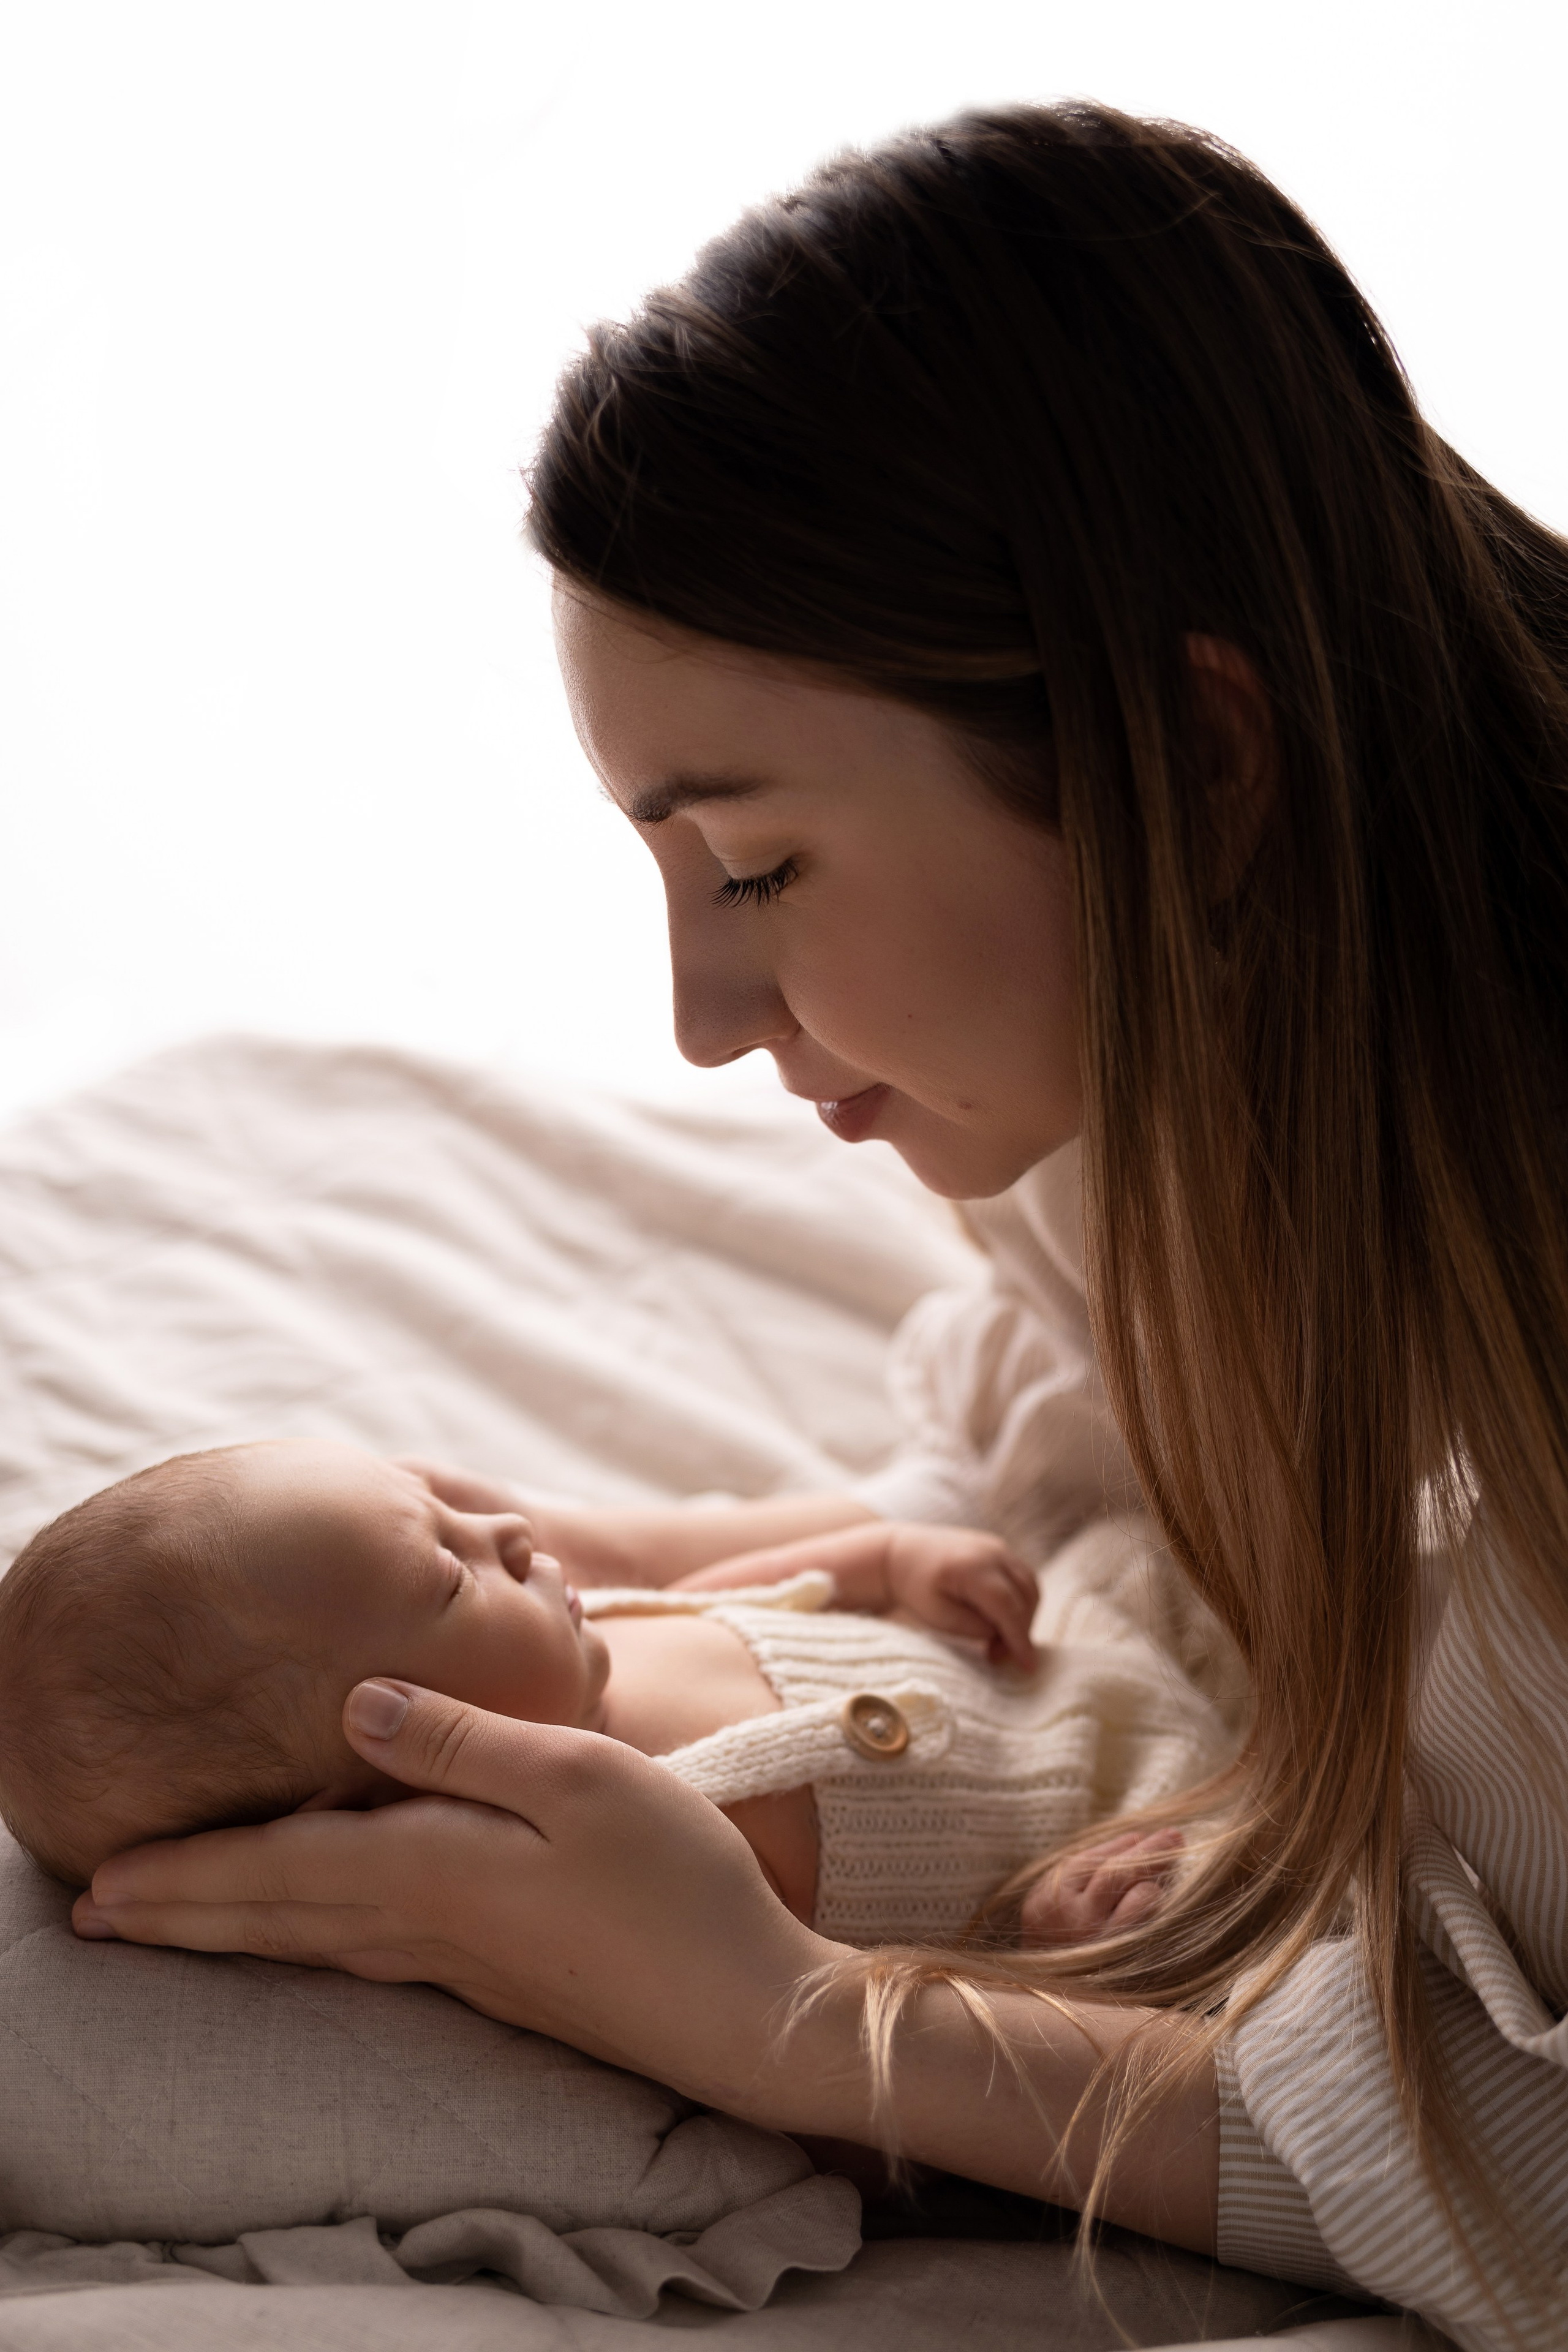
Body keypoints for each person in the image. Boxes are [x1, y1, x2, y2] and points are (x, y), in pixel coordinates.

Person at [66, 102, 1568, 2349]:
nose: (696, 1020)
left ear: (1201, 761)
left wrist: (791, 2018)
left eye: (755, 868)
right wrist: (791, 1573)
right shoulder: (1148, 1090)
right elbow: (1085, 1437)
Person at [0, 1434, 1216, 1942]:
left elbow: (739, 1603)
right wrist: (1033, 1943)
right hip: (1129, 1831)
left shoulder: (586, 1640)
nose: (514, 1531)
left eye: (455, 1512)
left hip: (1080, 1646)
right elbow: (846, 2045)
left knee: (1171, 1531)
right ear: (384, 1767)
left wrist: (887, 1565)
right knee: (1235, 1928)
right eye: (448, 1574)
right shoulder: (584, 1878)